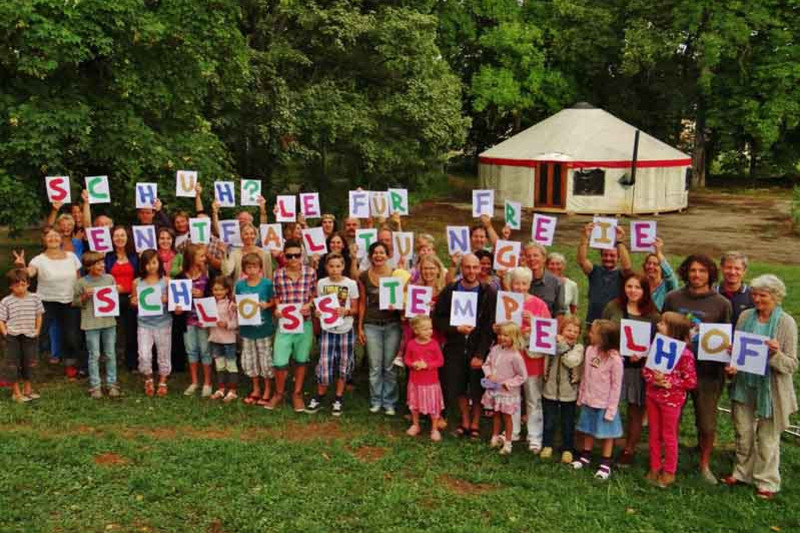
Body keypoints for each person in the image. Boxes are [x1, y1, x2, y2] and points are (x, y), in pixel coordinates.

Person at [722, 275, 797, 499]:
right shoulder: (745, 316)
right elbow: (738, 352)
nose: (756, 299)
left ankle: (767, 481)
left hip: (771, 388)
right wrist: (732, 362)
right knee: (743, 432)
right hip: (745, 384)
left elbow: (792, 364)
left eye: (762, 295)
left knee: (767, 439)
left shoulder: (786, 323)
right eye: (754, 294)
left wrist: (775, 354)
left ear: (775, 297)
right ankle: (742, 472)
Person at [662, 254, 732, 484]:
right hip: (675, 369)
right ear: (686, 272)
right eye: (693, 270)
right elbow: (663, 329)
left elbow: (726, 338)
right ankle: (668, 459)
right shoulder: (673, 298)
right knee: (672, 418)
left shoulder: (721, 304)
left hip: (708, 372)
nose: (697, 275)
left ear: (710, 274)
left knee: (707, 422)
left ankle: (704, 464)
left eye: (702, 271)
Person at [433, 253, 497, 438]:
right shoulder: (451, 290)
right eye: (467, 267)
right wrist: (456, 328)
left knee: (476, 387)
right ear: (461, 268)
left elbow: (489, 326)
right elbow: (438, 319)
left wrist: (480, 353)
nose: (471, 271)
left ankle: (475, 423)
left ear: (480, 269)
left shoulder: (488, 292)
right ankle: (465, 421)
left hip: (477, 348)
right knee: (459, 385)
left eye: (475, 267)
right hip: (456, 346)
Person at [601, 271, 660, 466]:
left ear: (645, 290)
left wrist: (644, 355)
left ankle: (629, 448)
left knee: (635, 409)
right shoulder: (613, 307)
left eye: (637, 287)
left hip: (637, 369)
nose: (633, 291)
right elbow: (603, 331)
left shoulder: (652, 314)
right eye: (629, 286)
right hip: (613, 365)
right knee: (610, 405)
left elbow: (657, 343)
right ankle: (606, 442)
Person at [13, 228, 82, 378]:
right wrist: (21, 266)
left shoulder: (72, 257)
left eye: (56, 236)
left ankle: (70, 364)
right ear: (44, 240)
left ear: (61, 239)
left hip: (69, 301)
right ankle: (25, 365)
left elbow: (78, 278)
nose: (53, 239)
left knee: (71, 336)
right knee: (37, 334)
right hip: (45, 302)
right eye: (49, 237)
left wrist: (80, 297)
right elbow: (29, 273)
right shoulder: (38, 259)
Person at [642, 312, 697, 488]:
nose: (658, 325)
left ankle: (669, 471)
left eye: (663, 324)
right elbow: (646, 371)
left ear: (673, 331)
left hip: (672, 401)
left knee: (668, 435)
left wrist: (670, 382)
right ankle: (655, 466)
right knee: (654, 433)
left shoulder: (685, 354)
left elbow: (690, 381)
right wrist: (653, 379)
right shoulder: (655, 347)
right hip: (652, 396)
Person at [306, 253, 359, 416]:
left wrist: (347, 311)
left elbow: (356, 309)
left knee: (343, 364)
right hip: (328, 330)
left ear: (343, 267)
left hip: (345, 330)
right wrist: (317, 313)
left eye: (338, 266)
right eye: (331, 266)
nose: (335, 269)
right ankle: (320, 395)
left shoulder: (350, 284)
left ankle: (338, 397)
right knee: (324, 363)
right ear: (326, 267)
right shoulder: (322, 283)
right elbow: (318, 305)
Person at [268, 240, 317, 411]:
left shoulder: (311, 272)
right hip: (285, 323)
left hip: (304, 322)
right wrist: (276, 309)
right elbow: (276, 296)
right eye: (289, 255)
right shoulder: (278, 274)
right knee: (279, 360)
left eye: (297, 255)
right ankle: (279, 393)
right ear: (284, 256)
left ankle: (297, 394)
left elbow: (314, 295)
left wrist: (309, 305)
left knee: (301, 359)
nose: (294, 258)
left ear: (302, 255)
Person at [505, 266, 551, 453]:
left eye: (524, 283)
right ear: (511, 283)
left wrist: (533, 321)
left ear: (529, 284)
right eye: (517, 283)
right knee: (512, 396)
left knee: (533, 398)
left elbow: (547, 332)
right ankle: (513, 431)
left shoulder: (539, 304)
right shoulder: (506, 302)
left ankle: (534, 436)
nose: (520, 287)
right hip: (511, 358)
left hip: (532, 359)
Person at [571, 319, 623, 480]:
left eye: (593, 332)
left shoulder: (615, 360)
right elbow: (586, 375)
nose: (589, 334)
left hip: (605, 404)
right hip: (589, 399)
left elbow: (616, 386)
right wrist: (582, 395)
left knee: (607, 433)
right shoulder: (590, 351)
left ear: (604, 338)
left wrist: (611, 409)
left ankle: (605, 462)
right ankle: (586, 455)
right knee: (588, 428)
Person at [358, 242, 403, 415]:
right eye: (375, 253)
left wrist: (397, 308)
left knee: (389, 366)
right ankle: (376, 400)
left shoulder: (395, 274)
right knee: (375, 366)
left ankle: (389, 401)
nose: (378, 256)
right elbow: (362, 303)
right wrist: (360, 327)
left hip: (392, 324)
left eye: (382, 252)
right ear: (370, 256)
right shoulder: (364, 276)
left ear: (388, 255)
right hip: (371, 325)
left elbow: (403, 301)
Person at [73, 252, 119, 399]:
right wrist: (85, 296)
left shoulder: (109, 278)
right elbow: (74, 302)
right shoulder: (81, 283)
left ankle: (112, 383)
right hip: (90, 323)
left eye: (102, 263)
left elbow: (113, 299)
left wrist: (117, 290)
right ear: (88, 267)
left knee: (110, 354)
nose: (102, 266)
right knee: (94, 355)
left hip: (108, 322)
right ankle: (95, 385)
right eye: (98, 264)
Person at [541, 316, 584, 464]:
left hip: (569, 393)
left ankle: (567, 449)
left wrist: (563, 345)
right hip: (550, 390)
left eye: (575, 331)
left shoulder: (578, 348)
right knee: (549, 421)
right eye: (568, 330)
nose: (571, 333)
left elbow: (571, 361)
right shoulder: (551, 345)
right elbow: (536, 352)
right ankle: (547, 445)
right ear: (561, 331)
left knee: (568, 422)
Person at [235, 253, 276, 407]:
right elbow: (238, 303)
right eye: (248, 267)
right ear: (244, 269)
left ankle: (267, 389)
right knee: (250, 359)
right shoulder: (240, 285)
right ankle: (256, 388)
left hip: (264, 328)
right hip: (247, 330)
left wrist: (268, 305)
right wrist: (235, 306)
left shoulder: (266, 284)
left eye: (255, 267)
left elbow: (274, 302)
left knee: (265, 359)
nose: (252, 270)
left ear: (260, 268)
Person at [482, 322, 528, 455]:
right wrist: (489, 374)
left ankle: (508, 442)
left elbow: (522, 376)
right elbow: (487, 363)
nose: (502, 337)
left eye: (506, 335)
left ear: (514, 337)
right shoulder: (495, 349)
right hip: (494, 389)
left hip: (507, 393)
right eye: (500, 334)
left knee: (507, 417)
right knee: (495, 413)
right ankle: (495, 436)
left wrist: (508, 383)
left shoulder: (515, 356)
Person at [131, 250, 171, 397]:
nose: (151, 266)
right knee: (144, 354)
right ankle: (148, 378)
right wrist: (134, 302)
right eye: (147, 263)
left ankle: (162, 380)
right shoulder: (137, 282)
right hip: (144, 324)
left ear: (159, 263)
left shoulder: (167, 281)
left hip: (163, 323)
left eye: (154, 262)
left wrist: (168, 299)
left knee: (163, 353)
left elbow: (177, 302)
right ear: (143, 265)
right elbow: (133, 302)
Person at [0, 269, 44, 402]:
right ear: (10, 286)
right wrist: (5, 333)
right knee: (12, 364)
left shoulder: (35, 298)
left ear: (28, 284)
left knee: (30, 362)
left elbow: (39, 315)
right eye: (16, 285)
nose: (20, 288)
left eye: (22, 284)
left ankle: (28, 390)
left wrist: (37, 330)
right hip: (12, 337)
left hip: (30, 335)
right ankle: (16, 393)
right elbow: (1, 319)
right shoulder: (6, 301)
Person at [576, 222, 632, 327]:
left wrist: (620, 241)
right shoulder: (594, 271)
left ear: (618, 258)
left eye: (612, 256)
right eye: (605, 255)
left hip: (613, 323)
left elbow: (627, 266)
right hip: (593, 322)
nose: (608, 258)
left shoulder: (622, 274)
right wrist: (584, 238)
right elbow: (582, 261)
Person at [175, 244, 213, 397]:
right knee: (191, 351)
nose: (204, 258)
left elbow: (214, 297)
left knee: (205, 351)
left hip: (203, 321)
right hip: (188, 321)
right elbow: (175, 302)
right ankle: (194, 382)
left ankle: (207, 382)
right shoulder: (179, 278)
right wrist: (176, 309)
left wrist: (202, 295)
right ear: (191, 258)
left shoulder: (208, 276)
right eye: (201, 256)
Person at [404, 316, 445, 441]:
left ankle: (434, 428)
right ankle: (416, 424)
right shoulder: (411, 344)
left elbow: (440, 361)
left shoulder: (434, 344)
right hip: (415, 382)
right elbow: (406, 359)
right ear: (416, 330)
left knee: (433, 406)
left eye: (430, 328)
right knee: (414, 405)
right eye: (425, 329)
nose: (429, 331)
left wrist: (427, 365)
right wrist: (413, 364)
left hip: (430, 383)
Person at [105, 226, 138, 372]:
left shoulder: (135, 256)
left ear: (127, 237)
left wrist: (136, 293)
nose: (119, 238)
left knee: (131, 330)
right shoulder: (107, 256)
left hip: (131, 298)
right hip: (112, 298)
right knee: (114, 331)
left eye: (122, 235)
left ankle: (131, 362)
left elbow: (139, 276)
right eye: (116, 236)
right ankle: (114, 360)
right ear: (111, 239)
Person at [208, 276, 239, 403]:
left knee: (231, 365)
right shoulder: (209, 304)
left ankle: (232, 390)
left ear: (227, 290)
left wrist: (227, 325)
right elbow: (206, 320)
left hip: (229, 341)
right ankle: (221, 388)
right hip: (215, 339)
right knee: (219, 366)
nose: (218, 292)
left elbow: (236, 322)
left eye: (221, 290)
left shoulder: (231, 305)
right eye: (215, 289)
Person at [523, 243, 566, 318]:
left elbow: (559, 313)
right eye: (528, 256)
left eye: (535, 255)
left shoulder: (556, 282)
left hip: (544, 327)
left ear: (544, 258)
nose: (532, 259)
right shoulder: (518, 279)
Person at [716, 251, 754, 326]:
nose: (732, 272)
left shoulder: (753, 295)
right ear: (721, 268)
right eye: (728, 267)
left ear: (744, 271)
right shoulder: (711, 292)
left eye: (737, 269)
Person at [642, 238, 678, 310]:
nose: (651, 266)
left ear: (662, 268)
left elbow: (670, 276)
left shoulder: (668, 285)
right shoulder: (641, 283)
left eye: (655, 264)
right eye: (649, 263)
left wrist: (658, 252)